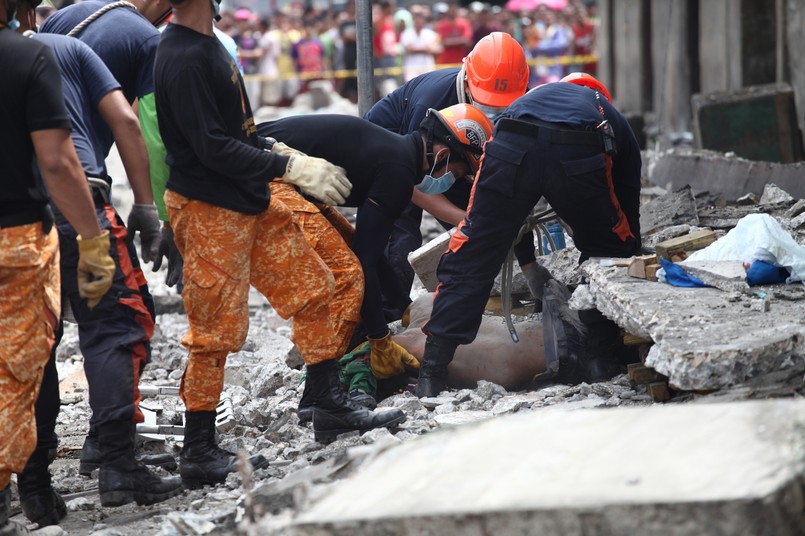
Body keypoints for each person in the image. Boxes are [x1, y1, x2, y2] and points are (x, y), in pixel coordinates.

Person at [154, 0, 406, 481]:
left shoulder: (211, 47)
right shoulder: (182, 55)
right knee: (215, 334)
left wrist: (274, 148)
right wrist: (288, 166)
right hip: (210, 210)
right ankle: (199, 449)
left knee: (316, 289)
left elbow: (237, 133)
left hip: (250, 198)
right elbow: (210, 147)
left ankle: (327, 402)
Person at [13, 0, 183, 522]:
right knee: (116, 324)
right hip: (78, 204)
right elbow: (129, 124)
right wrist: (148, 209)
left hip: (12, 220)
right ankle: (116, 463)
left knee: (28, 344)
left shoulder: (64, 34)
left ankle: (33, 482)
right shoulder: (64, 48)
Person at [414, 74, 642, 398]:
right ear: (598, 96)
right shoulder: (609, 115)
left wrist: (527, 263)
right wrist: (626, 244)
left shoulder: (531, 100)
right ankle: (601, 359)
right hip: (579, 144)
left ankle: (432, 371)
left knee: (474, 250)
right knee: (609, 249)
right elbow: (627, 215)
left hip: (512, 139)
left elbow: (505, 214)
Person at [257, 103, 494, 413]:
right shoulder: (398, 170)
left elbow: (368, 248)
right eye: (458, 172)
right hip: (266, 174)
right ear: (443, 154)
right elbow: (363, 264)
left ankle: (317, 398)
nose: (451, 180)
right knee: (347, 276)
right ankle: (320, 400)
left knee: (349, 252)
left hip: (273, 170)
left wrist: (403, 305)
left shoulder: (397, 158)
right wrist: (380, 338)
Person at [0, 0, 116, 531]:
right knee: (28, 364)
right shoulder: (27, 57)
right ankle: (33, 485)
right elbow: (58, 160)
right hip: (16, 240)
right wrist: (92, 239)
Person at [364, 31, 530, 319]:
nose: (493, 112)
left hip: (452, 155)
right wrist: (465, 221)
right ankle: (384, 322)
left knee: (485, 220)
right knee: (402, 237)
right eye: (487, 104)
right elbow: (415, 185)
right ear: (467, 80)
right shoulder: (432, 101)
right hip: (393, 155)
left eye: (500, 107)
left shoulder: (516, 98)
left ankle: (479, 296)